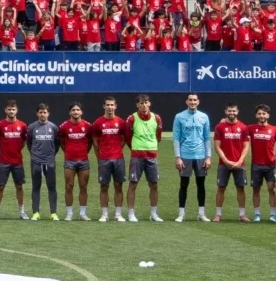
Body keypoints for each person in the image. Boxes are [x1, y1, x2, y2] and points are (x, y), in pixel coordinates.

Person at [172, 93, 212, 223]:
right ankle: (181, 214)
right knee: (184, 185)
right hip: (185, 155)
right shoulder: (179, 116)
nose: (192, 102)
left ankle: (201, 213)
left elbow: (206, 138)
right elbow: (176, 138)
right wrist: (178, 157)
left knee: (201, 185)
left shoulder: (204, 117)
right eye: (190, 100)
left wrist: (208, 157)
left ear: (198, 102)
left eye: (195, 100)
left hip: (200, 156)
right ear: (186, 101)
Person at [125, 94, 164, 223]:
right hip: (137, 156)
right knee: (133, 184)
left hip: (152, 156)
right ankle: (131, 214)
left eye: (146, 102)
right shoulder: (132, 119)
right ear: (137, 105)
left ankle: (153, 213)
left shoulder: (156, 118)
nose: (143, 105)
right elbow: (128, 138)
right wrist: (136, 148)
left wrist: (151, 147)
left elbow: (158, 136)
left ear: (149, 103)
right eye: (141, 103)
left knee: (153, 184)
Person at [212, 103, 251, 223]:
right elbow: (217, 146)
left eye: (234, 111)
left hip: (239, 164)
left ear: (237, 112)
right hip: (224, 164)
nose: (232, 113)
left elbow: (246, 147)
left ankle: (242, 215)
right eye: (229, 111)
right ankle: (218, 214)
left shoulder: (244, 127)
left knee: (240, 188)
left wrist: (239, 161)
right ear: (225, 111)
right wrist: (225, 160)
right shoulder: (220, 127)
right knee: (221, 188)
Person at [91, 97, 129, 222]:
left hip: (118, 159)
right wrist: (100, 157)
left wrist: (117, 150)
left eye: (112, 105)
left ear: (115, 106)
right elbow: (95, 143)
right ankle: (104, 214)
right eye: (107, 105)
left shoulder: (121, 122)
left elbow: (123, 140)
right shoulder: (97, 123)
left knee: (118, 186)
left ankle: (118, 214)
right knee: (104, 187)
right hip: (104, 159)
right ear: (104, 106)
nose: (110, 107)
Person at [0, 102, 29, 220]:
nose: (11, 111)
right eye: (9, 109)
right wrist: (1, 152)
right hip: (3, 162)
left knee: (19, 186)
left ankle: (22, 212)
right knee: (0, 186)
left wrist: (16, 150)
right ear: (5, 110)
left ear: (16, 110)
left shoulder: (23, 126)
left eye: (13, 109)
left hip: (18, 162)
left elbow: (24, 141)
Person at [59, 102, 94, 221]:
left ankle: (83, 213)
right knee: (69, 186)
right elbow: (62, 143)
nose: (76, 112)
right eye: (73, 110)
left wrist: (83, 152)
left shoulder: (88, 126)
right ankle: (69, 213)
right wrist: (69, 152)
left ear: (81, 112)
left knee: (83, 186)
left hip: (84, 161)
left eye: (78, 110)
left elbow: (90, 143)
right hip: (69, 161)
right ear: (70, 112)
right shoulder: (64, 126)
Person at [249, 104, 276, 223]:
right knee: (256, 190)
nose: (262, 116)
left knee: (271, 189)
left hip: (270, 165)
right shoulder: (251, 128)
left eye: (264, 113)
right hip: (256, 165)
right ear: (256, 115)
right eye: (259, 113)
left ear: (268, 115)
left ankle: (272, 214)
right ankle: (257, 214)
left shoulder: (274, 129)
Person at [27, 103, 60, 221]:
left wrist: (51, 155)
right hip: (36, 161)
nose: (42, 114)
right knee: (36, 187)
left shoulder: (53, 127)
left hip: (50, 162)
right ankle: (36, 212)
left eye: (45, 112)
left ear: (48, 113)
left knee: (52, 187)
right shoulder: (32, 127)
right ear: (37, 113)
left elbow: (57, 144)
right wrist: (35, 155)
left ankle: (53, 213)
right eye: (40, 112)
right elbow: (29, 143)